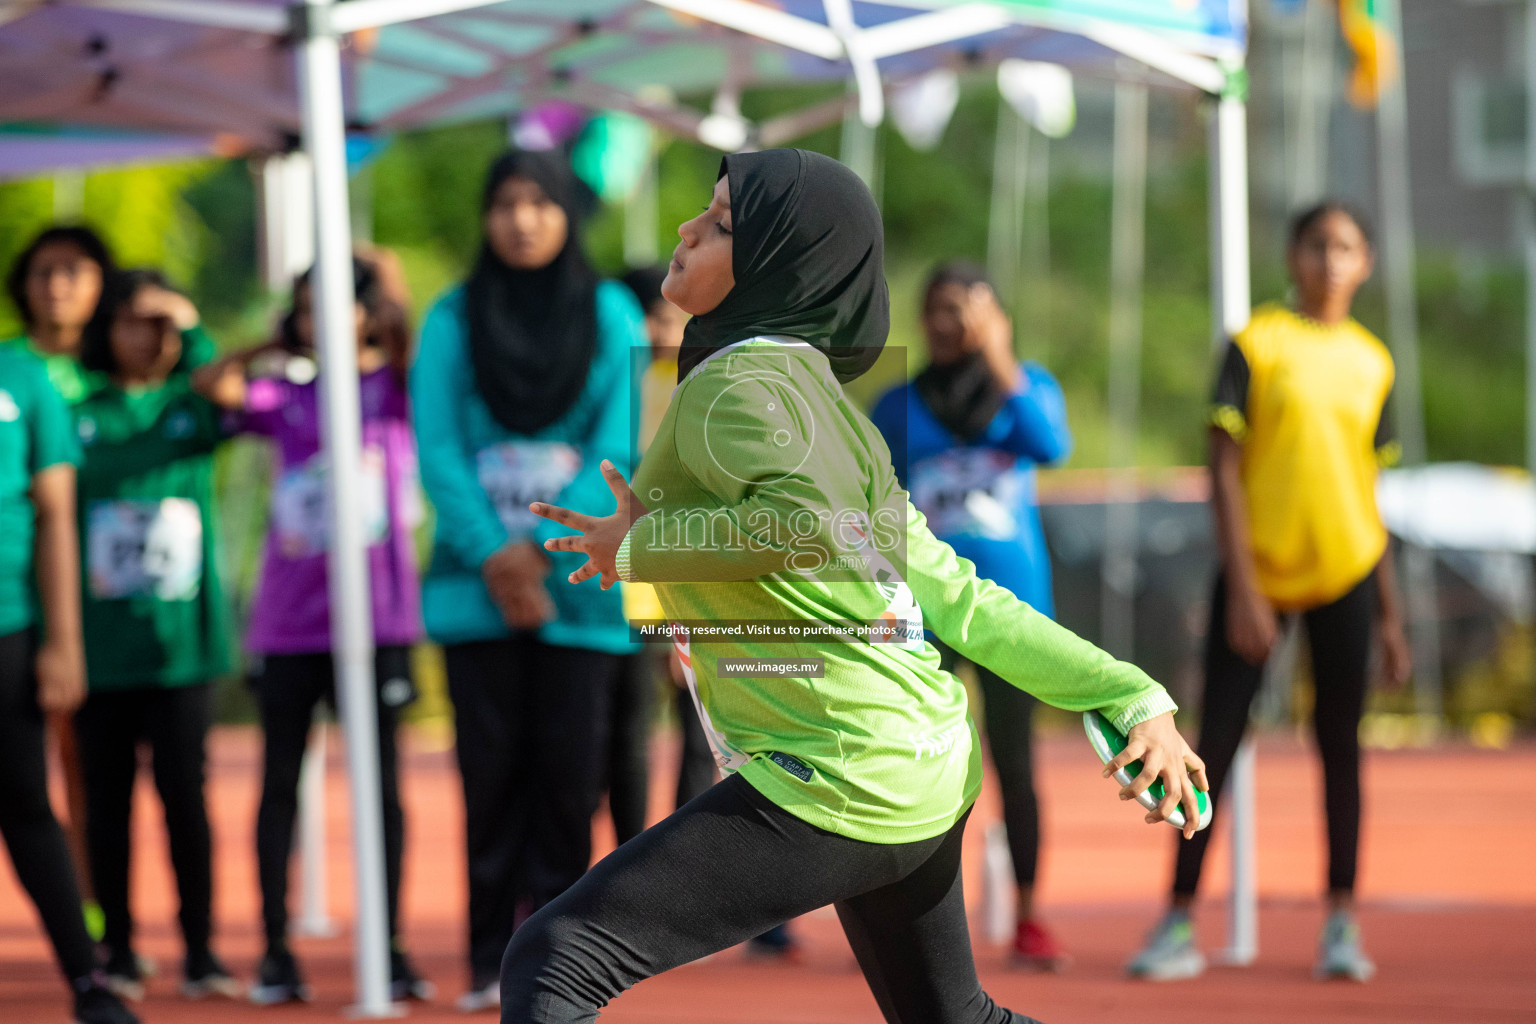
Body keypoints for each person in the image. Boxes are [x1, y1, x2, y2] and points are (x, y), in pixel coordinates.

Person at [507, 148, 1207, 1024]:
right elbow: (960, 597)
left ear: (780, 265)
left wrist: (645, 544)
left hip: (839, 770)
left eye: (722, 224)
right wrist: (1131, 692)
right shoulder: (831, 407)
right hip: (921, 759)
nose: (688, 230)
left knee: (556, 958)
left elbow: (796, 532)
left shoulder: (738, 383)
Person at [1125, 202, 1412, 984]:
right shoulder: (1256, 345)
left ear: (1366, 264)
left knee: (1340, 747)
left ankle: (1342, 925)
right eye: (1316, 245)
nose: (1330, 260)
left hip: (1347, 572)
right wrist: (1246, 588)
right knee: (1210, 742)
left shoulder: (1374, 362)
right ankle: (1177, 921)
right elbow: (1222, 465)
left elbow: (1369, 490)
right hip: (1259, 575)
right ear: (1292, 257)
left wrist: (1390, 615)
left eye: (1346, 247)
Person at [411, 149, 643, 1013]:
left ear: (566, 216)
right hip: (476, 593)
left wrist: (539, 553)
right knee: (489, 776)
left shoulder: (612, 312)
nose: (521, 220)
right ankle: (481, 957)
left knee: (568, 784)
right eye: (504, 204)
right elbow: (435, 447)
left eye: (539, 204)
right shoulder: (451, 318)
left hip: (580, 591)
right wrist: (495, 556)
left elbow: (618, 444)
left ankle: (552, 966)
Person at [194, 257, 430, 1005]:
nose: (317, 321)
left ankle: (387, 945)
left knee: (384, 788)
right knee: (279, 786)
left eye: (332, 306)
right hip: (290, 625)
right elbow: (212, 387)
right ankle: (272, 947)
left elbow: (420, 360)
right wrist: (268, 345)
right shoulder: (285, 394)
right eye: (304, 309)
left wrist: (383, 309)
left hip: (379, 621)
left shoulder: (394, 389)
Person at [870, 260, 1073, 969]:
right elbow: (870, 501)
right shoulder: (897, 406)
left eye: (966, 308)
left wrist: (1001, 356)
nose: (949, 321)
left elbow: (1051, 445)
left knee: (1015, 762)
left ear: (994, 316)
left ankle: (1028, 914)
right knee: (920, 764)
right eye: (937, 308)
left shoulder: (1028, 388)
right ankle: (917, 921)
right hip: (926, 615)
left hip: (1014, 610)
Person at [618, 265, 799, 961]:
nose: (658, 331)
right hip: (639, 595)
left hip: (705, 595)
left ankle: (722, 897)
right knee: (631, 746)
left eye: (665, 316)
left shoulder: (712, 386)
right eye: (646, 319)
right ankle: (638, 890)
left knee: (719, 745)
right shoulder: (622, 389)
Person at [72, 269, 238, 1002]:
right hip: (100, 649)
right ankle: (117, 947)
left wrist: (192, 318)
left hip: (182, 652)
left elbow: (223, 386)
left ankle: (200, 949)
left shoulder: (191, 406)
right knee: (106, 805)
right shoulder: (80, 409)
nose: (149, 336)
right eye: (133, 321)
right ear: (106, 329)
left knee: (185, 799)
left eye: (162, 325)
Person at [0, 340, 136, 1023]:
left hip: (9, 626)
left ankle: (89, 982)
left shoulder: (22, 377)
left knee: (25, 799)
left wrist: (64, 641)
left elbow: (55, 513)